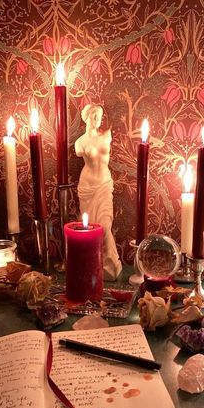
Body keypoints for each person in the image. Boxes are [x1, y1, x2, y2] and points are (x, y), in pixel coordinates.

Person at [75, 104, 122, 280]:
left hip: (103, 184)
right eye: (94, 116)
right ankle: (93, 263)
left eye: (100, 117)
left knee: (105, 224)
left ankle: (111, 262)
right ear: (86, 117)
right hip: (87, 186)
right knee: (89, 227)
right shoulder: (80, 143)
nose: (98, 120)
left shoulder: (106, 136)